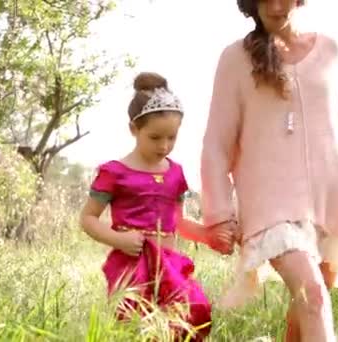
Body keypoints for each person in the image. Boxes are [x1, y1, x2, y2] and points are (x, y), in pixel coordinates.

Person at [200, 1, 338, 341]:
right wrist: (218, 215)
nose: (274, 5)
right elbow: (216, 143)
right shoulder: (235, 59)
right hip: (269, 207)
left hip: (331, 203)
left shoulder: (330, 50)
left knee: (305, 312)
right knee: (313, 295)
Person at [79, 72, 233, 341]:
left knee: (192, 310)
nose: (164, 146)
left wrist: (209, 236)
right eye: (155, 137)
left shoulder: (176, 174)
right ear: (133, 129)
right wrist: (118, 239)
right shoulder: (115, 172)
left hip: (169, 264)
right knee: (138, 323)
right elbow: (88, 219)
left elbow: (179, 222)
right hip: (131, 263)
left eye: (171, 138)